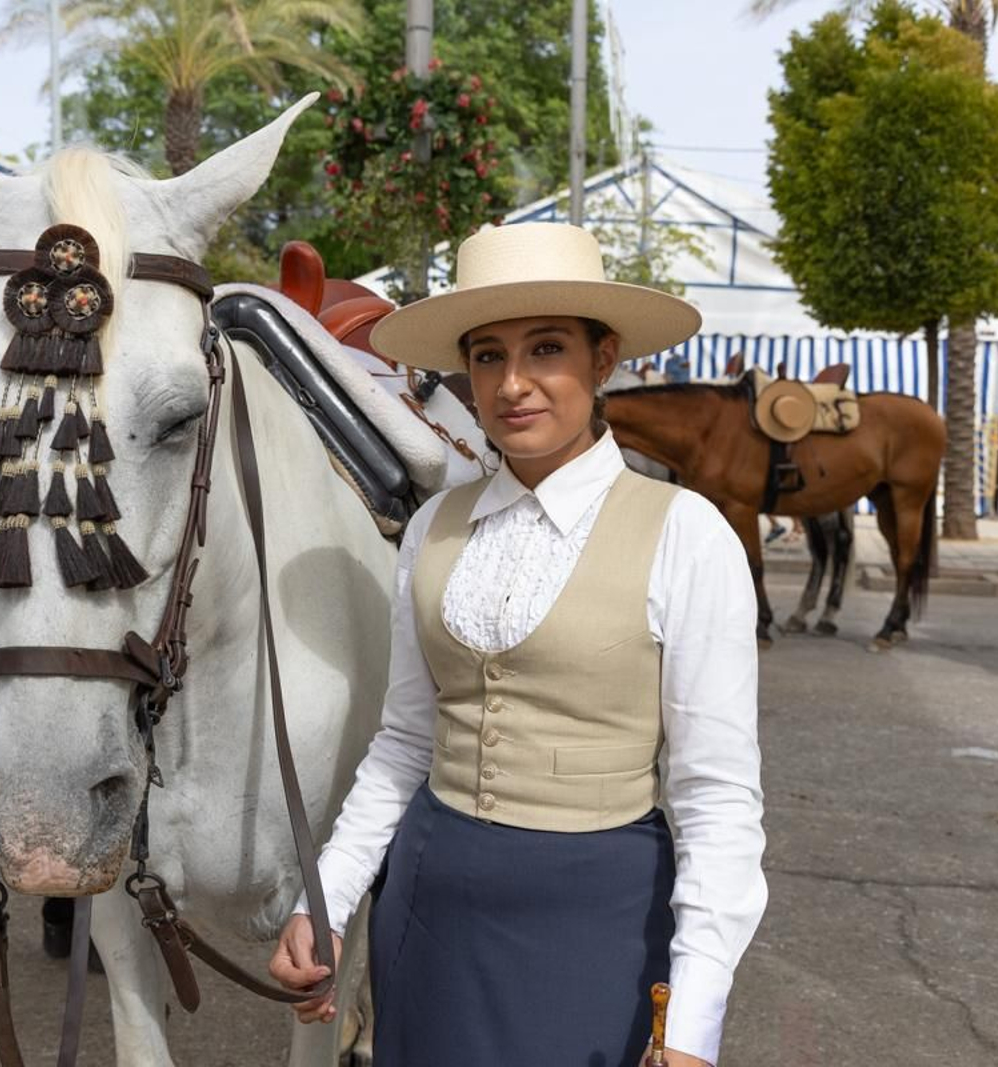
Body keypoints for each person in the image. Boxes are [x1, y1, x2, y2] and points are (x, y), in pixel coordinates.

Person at [269, 222, 767, 1066]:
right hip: (428, 909)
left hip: (596, 919)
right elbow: (403, 743)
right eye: (489, 356)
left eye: (546, 349)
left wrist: (693, 1021)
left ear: (603, 359)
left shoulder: (687, 534)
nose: (513, 384)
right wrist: (330, 894)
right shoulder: (434, 527)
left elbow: (717, 796)